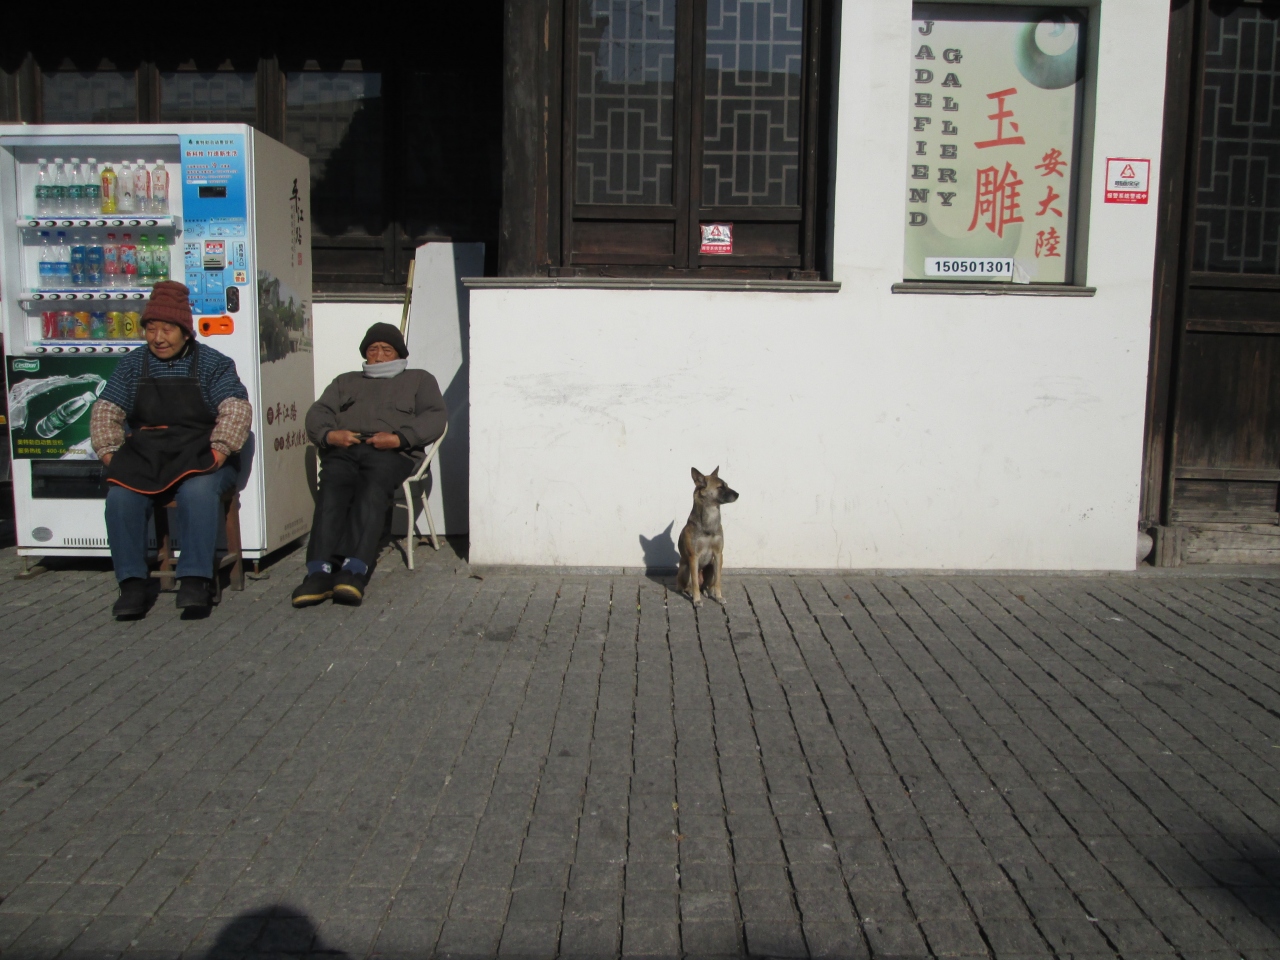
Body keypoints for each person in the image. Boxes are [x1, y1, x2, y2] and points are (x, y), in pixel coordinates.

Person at [91, 281, 252, 619]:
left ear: (185, 331)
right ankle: (132, 583)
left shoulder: (213, 363)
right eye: (151, 329)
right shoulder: (132, 365)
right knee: (120, 498)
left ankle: (195, 580)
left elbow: (236, 408)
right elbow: (106, 410)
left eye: (167, 329)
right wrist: (111, 454)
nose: (158, 338)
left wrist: (219, 451)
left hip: (201, 455)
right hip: (148, 456)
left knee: (198, 491)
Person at [295, 322, 447, 607]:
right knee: (332, 482)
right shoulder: (345, 381)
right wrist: (330, 435)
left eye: (386, 350)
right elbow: (319, 412)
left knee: (372, 485)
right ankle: (319, 571)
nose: (378, 356)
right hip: (347, 449)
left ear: (399, 353)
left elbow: (435, 416)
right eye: (372, 349)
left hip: (393, 453)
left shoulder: (419, 379)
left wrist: (400, 438)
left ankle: (354, 568)